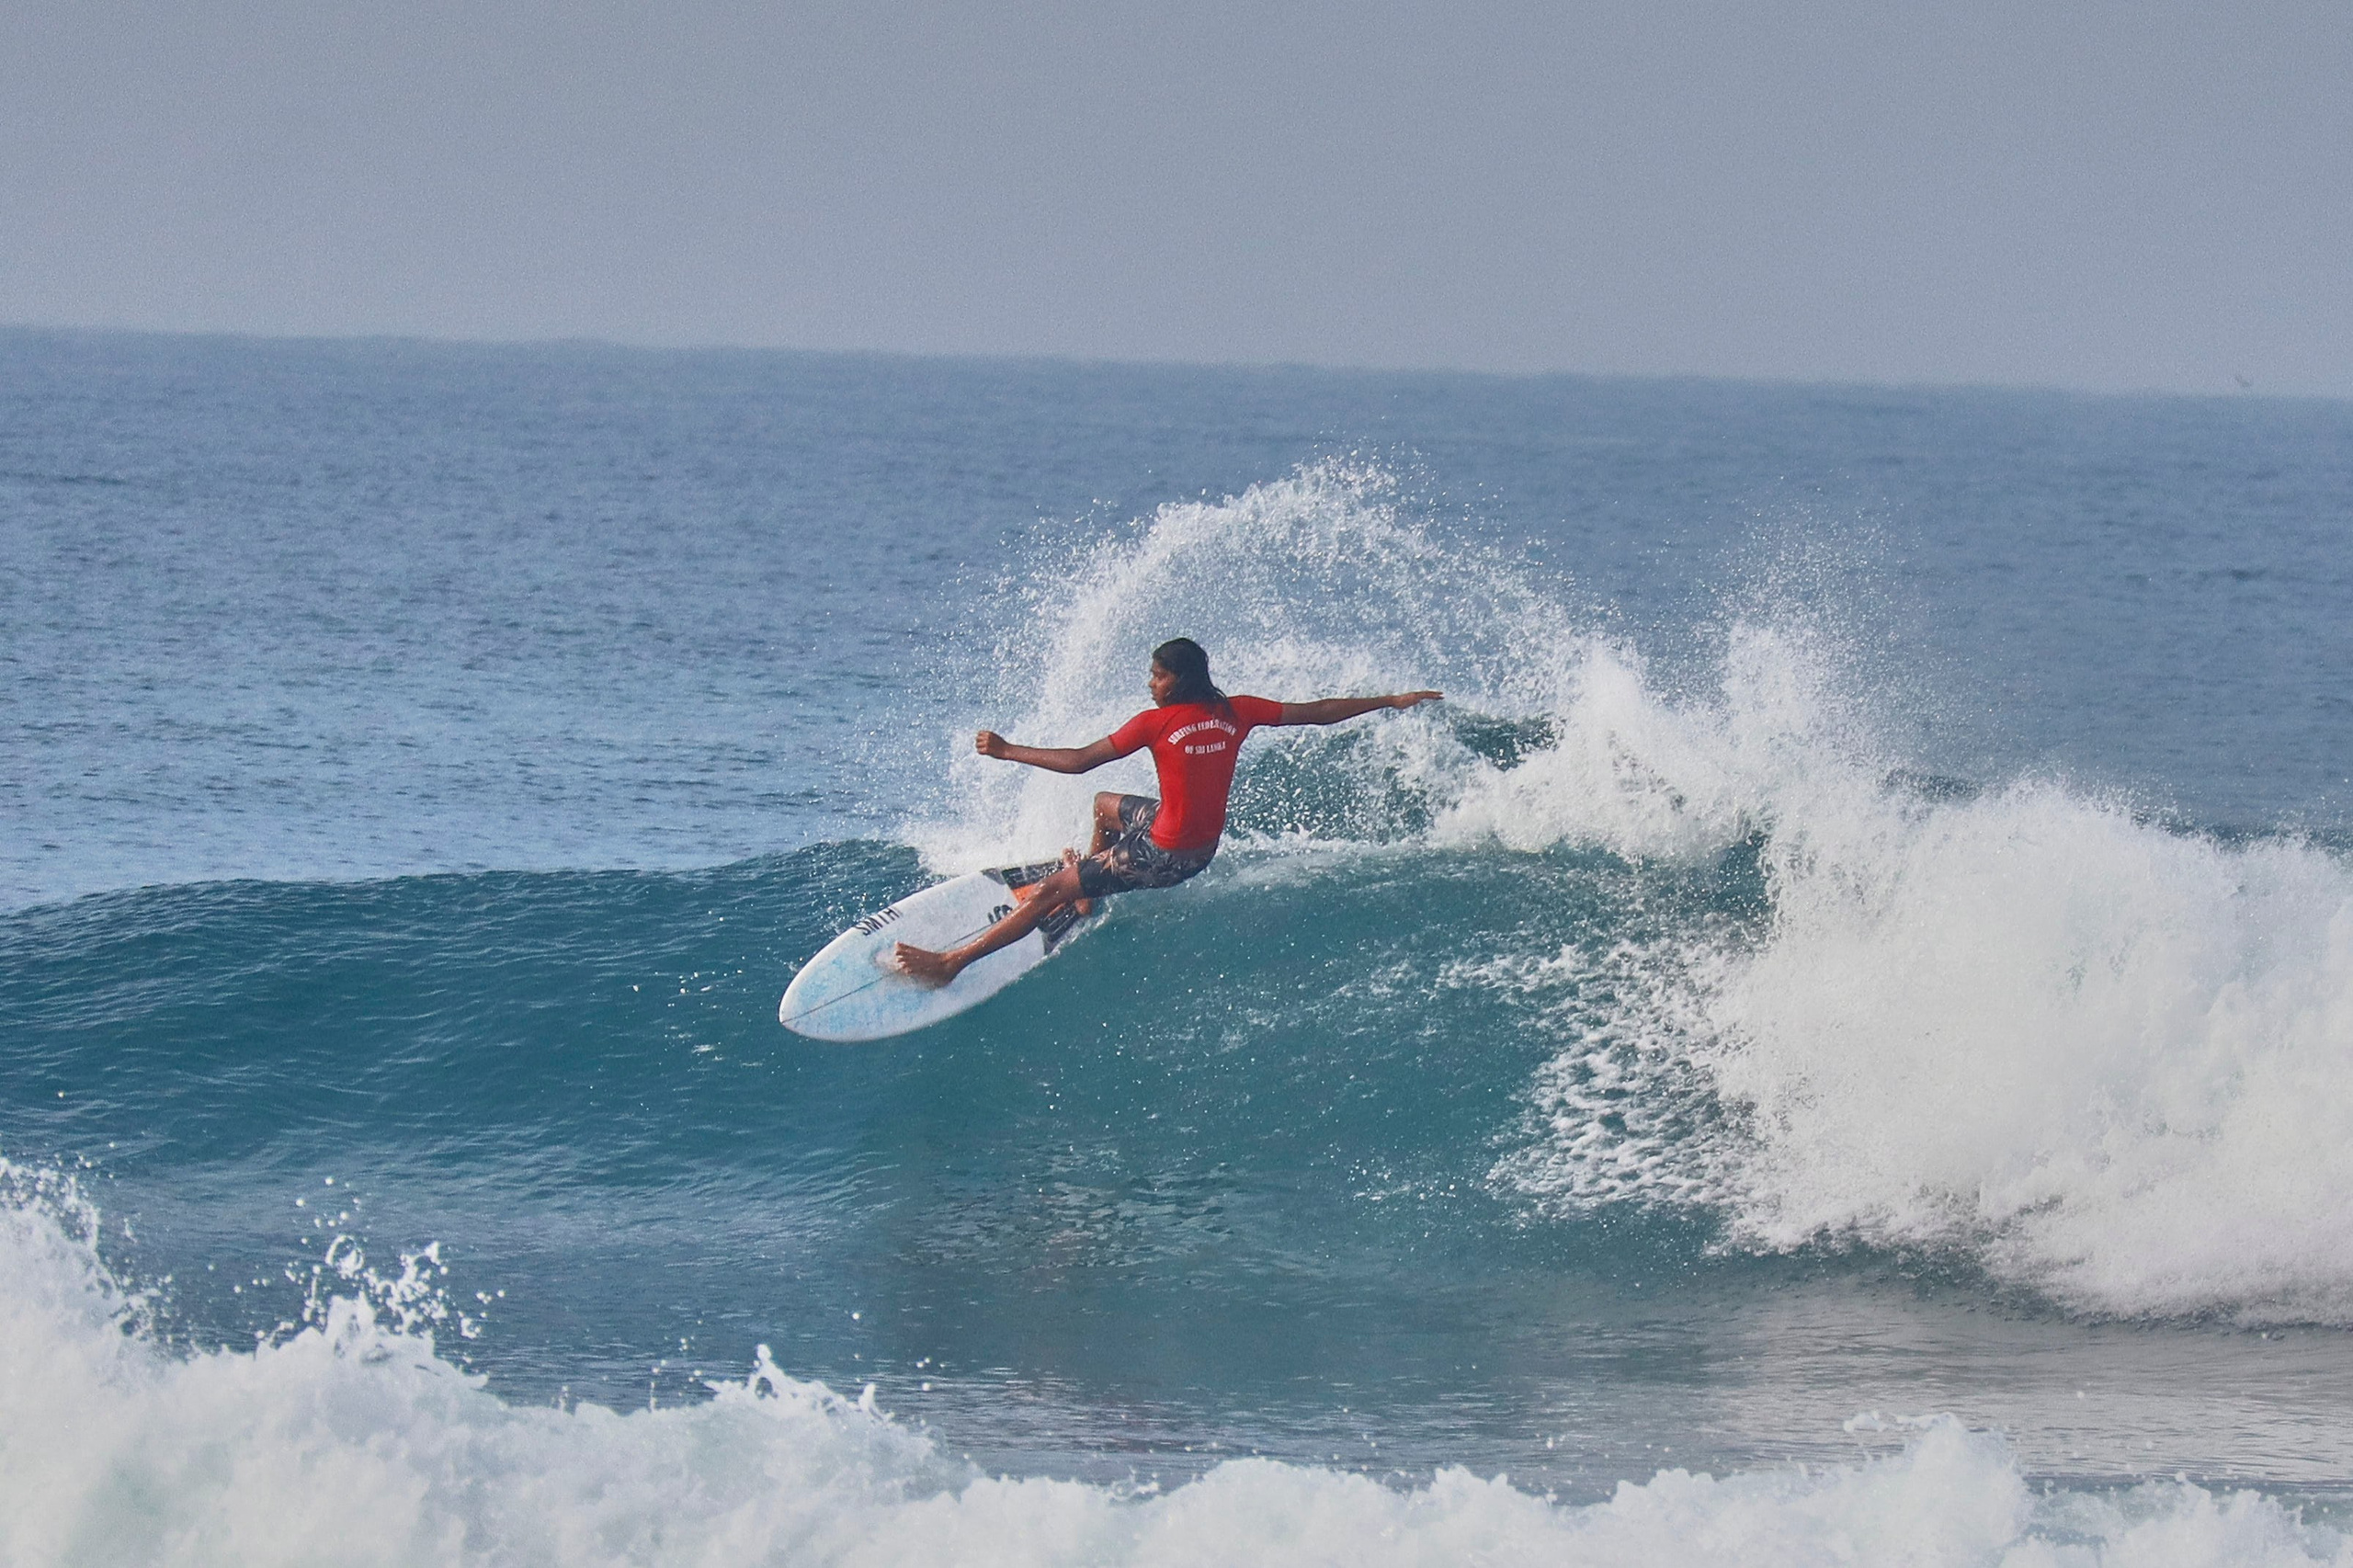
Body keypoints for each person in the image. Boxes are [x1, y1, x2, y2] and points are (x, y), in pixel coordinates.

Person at [889, 638, 1441, 985]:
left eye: (1156, 675)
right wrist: (1389, 700)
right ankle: (1088, 894)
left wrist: (1009, 751)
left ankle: (951, 965)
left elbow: (1080, 760)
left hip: (1162, 855)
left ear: (1176, 679)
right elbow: (1316, 713)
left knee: (1050, 888)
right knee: (1106, 806)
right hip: (1197, 845)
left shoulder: (1156, 723)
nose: (1150, 683)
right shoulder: (1235, 711)